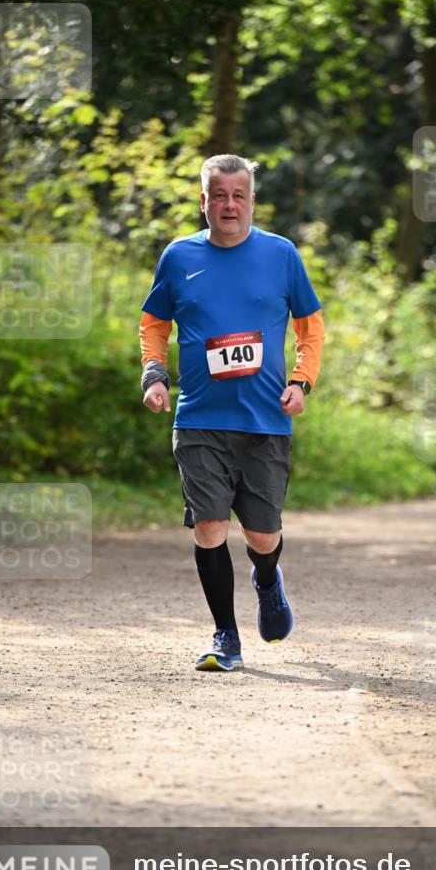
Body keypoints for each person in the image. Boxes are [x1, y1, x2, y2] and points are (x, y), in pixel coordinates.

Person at [139, 154, 325, 671]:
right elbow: (153, 322)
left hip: (265, 421)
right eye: (218, 196)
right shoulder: (179, 256)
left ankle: (267, 578)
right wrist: (154, 373)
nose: (228, 205)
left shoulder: (280, 254)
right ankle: (226, 637)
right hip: (199, 419)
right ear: (204, 201)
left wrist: (301, 381)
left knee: (263, 536)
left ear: (252, 201)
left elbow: (311, 327)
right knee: (210, 528)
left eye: (238, 195)